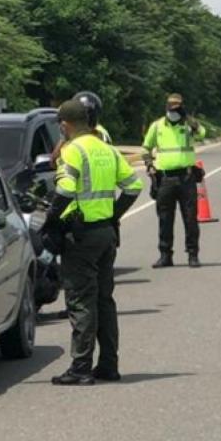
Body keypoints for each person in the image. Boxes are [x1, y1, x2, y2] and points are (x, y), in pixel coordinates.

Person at [42, 99, 143, 385]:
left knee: (80, 300)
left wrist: (51, 222)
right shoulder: (106, 149)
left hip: (81, 236)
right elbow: (133, 186)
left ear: (64, 125)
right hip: (105, 235)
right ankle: (108, 365)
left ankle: (81, 367)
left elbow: (65, 189)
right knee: (104, 301)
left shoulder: (73, 151)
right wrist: (113, 215)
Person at [142, 93, 207, 268]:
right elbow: (146, 147)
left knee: (190, 218)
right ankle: (165, 255)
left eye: (177, 107)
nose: (173, 110)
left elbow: (202, 134)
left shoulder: (188, 125)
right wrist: (149, 164)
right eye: (170, 106)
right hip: (165, 178)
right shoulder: (157, 126)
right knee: (164, 218)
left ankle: (193, 254)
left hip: (186, 177)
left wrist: (188, 118)